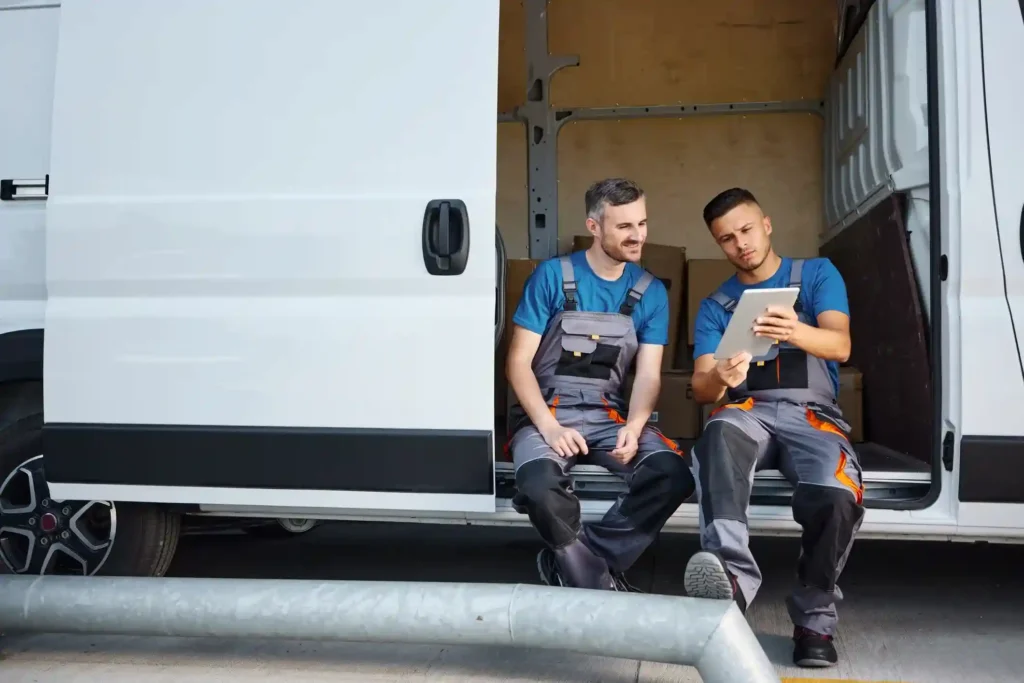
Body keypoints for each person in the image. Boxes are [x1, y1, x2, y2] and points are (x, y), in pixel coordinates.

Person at [682, 187, 864, 669]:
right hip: (750, 412)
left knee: (836, 492)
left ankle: (814, 621)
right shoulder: (716, 305)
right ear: (718, 245)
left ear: (766, 224)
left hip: (813, 416)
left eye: (745, 230)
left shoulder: (816, 275)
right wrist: (719, 376)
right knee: (717, 437)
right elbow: (702, 389)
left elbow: (840, 345)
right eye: (726, 238)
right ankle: (733, 580)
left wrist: (794, 331)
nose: (740, 244)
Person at [505, 177, 695, 592]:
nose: (638, 236)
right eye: (624, 226)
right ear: (594, 227)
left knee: (673, 475)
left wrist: (637, 423)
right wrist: (549, 427)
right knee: (538, 487)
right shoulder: (553, 277)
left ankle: (579, 559)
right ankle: (594, 579)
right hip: (547, 412)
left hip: (609, 415)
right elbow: (517, 363)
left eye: (642, 223)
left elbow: (647, 373)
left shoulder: (650, 292)